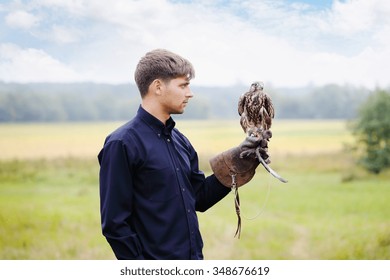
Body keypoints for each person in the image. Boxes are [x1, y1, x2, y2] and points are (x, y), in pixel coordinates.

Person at [98, 49, 270, 260]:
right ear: (158, 87)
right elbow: (115, 225)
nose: (190, 93)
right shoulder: (122, 143)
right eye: (183, 85)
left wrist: (241, 159)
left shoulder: (180, 141)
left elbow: (199, 198)